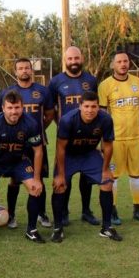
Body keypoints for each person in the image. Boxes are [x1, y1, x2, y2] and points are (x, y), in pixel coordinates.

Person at [50, 91, 121, 243]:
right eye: (86, 106)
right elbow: (61, 148)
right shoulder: (67, 120)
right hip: (69, 156)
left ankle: (106, 228)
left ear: (98, 107)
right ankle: (57, 228)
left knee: (107, 183)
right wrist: (60, 174)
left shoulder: (106, 119)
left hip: (89, 155)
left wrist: (106, 169)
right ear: (80, 106)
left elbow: (108, 146)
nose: (90, 110)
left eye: (93, 106)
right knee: (59, 185)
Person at [0, 90, 44, 244]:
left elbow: (38, 150)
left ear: (22, 107)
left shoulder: (31, 123)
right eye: (10, 108)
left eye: (17, 108)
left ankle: (31, 230)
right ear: (3, 108)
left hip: (19, 161)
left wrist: (37, 178)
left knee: (34, 188)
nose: (14, 111)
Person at [98, 51, 139, 224]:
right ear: (113, 64)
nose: (123, 64)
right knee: (113, 176)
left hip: (136, 138)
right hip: (115, 139)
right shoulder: (105, 85)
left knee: (136, 175)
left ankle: (137, 210)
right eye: (119, 61)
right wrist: (102, 140)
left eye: (126, 61)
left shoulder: (137, 83)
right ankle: (113, 211)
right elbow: (102, 115)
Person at [0, 58, 54, 229]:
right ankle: (12, 215)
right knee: (14, 180)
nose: (24, 71)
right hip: (15, 144)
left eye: (27, 68)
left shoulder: (42, 91)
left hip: (37, 142)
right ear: (15, 72)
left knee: (40, 180)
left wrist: (37, 129)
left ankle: (41, 213)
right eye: (20, 68)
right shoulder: (7, 92)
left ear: (32, 70)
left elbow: (50, 114)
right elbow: (2, 117)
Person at [48, 46, 100, 226]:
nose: (73, 62)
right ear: (65, 60)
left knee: (87, 176)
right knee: (65, 175)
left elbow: (96, 107)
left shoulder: (91, 80)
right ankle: (63, 212)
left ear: (82, 58)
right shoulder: (56, 82)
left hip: (89, 137)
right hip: (66, 137)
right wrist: (62, 125)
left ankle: (86, 210)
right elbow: (51, 109)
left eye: (76, 58)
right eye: (70, 59)